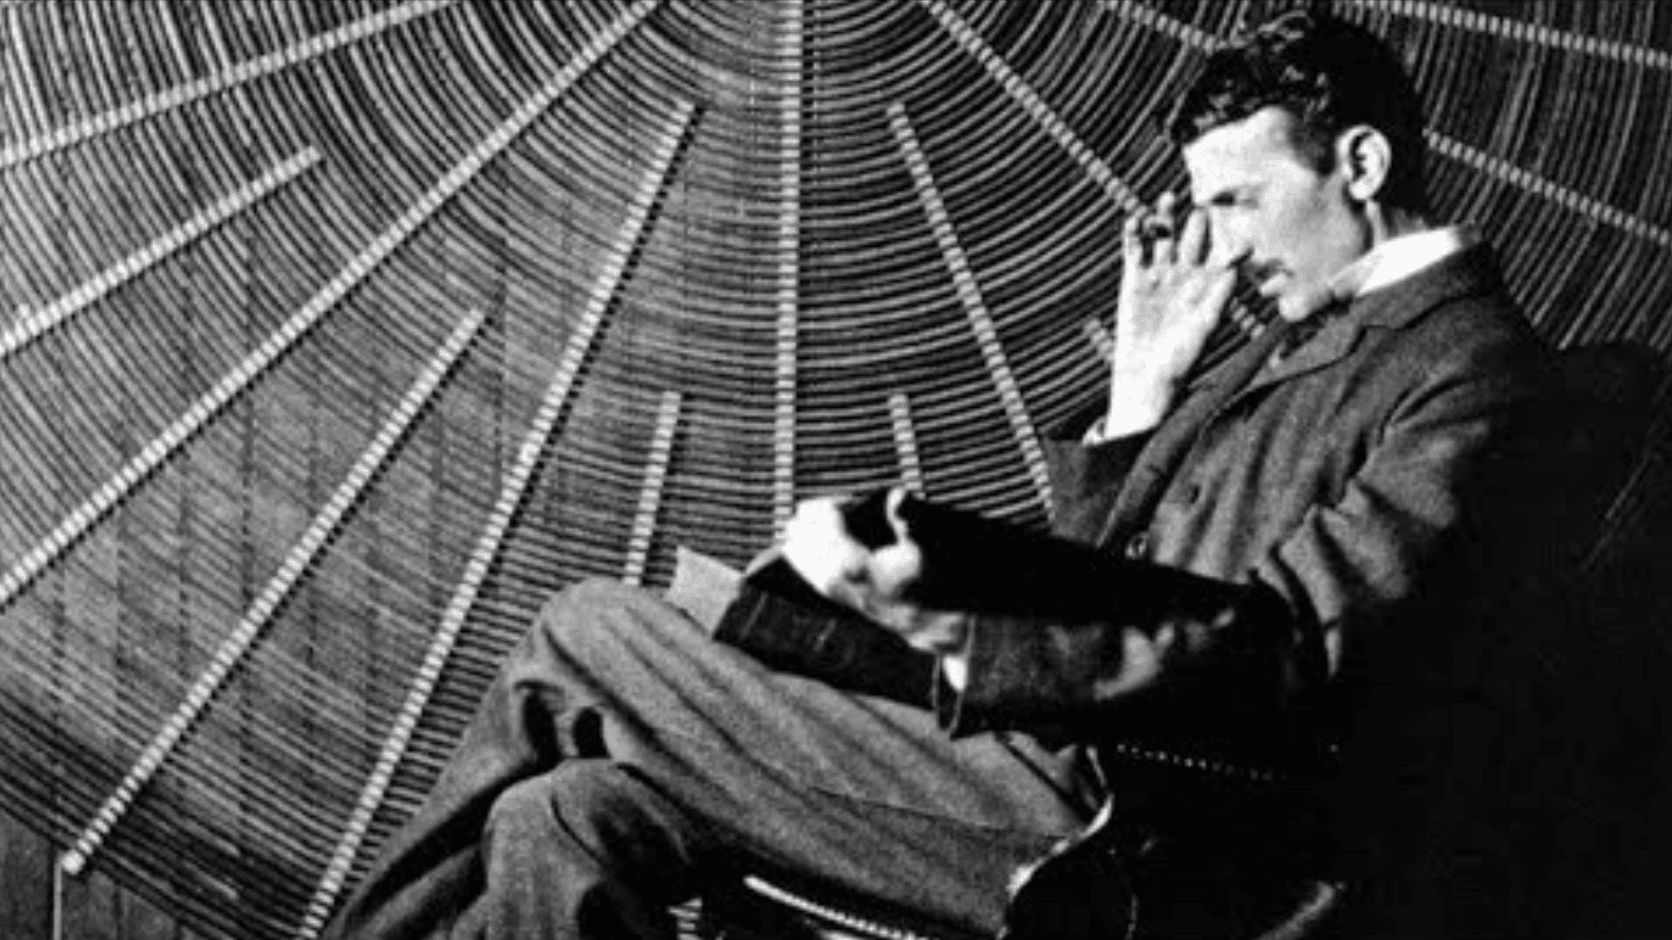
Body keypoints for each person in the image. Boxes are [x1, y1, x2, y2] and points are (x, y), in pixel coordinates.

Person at [326, 9, 1552, 939]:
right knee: (562, 816)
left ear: (1361, 164)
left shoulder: (1474, 370)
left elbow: (1286, 656)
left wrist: (962, 630)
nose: (1220, 247)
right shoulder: (1292, 345)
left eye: (1239, 200)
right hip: (1050, 756)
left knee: (584, 631)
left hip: (1150, 830)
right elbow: (1123, 576)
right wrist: (1141, 397)